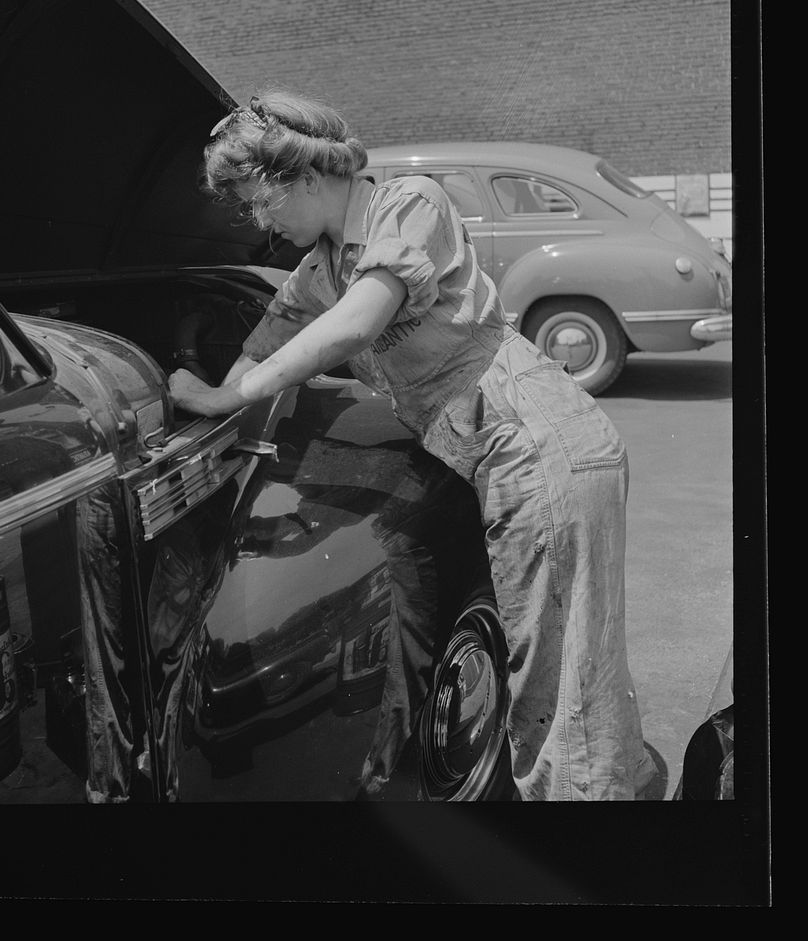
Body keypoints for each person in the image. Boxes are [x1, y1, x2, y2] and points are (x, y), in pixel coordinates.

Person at [168, 88, 656, 801]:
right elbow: (263, 345)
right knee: (573, 658)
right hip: (499, 451)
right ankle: (623, 792)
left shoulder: (410, 205)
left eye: (256, 198)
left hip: (540, 441)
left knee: (556, 680)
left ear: (303, 175)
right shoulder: (319, 270)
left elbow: (356, 325)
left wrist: (224, 398)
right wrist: (214, 395)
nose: (256, 219)